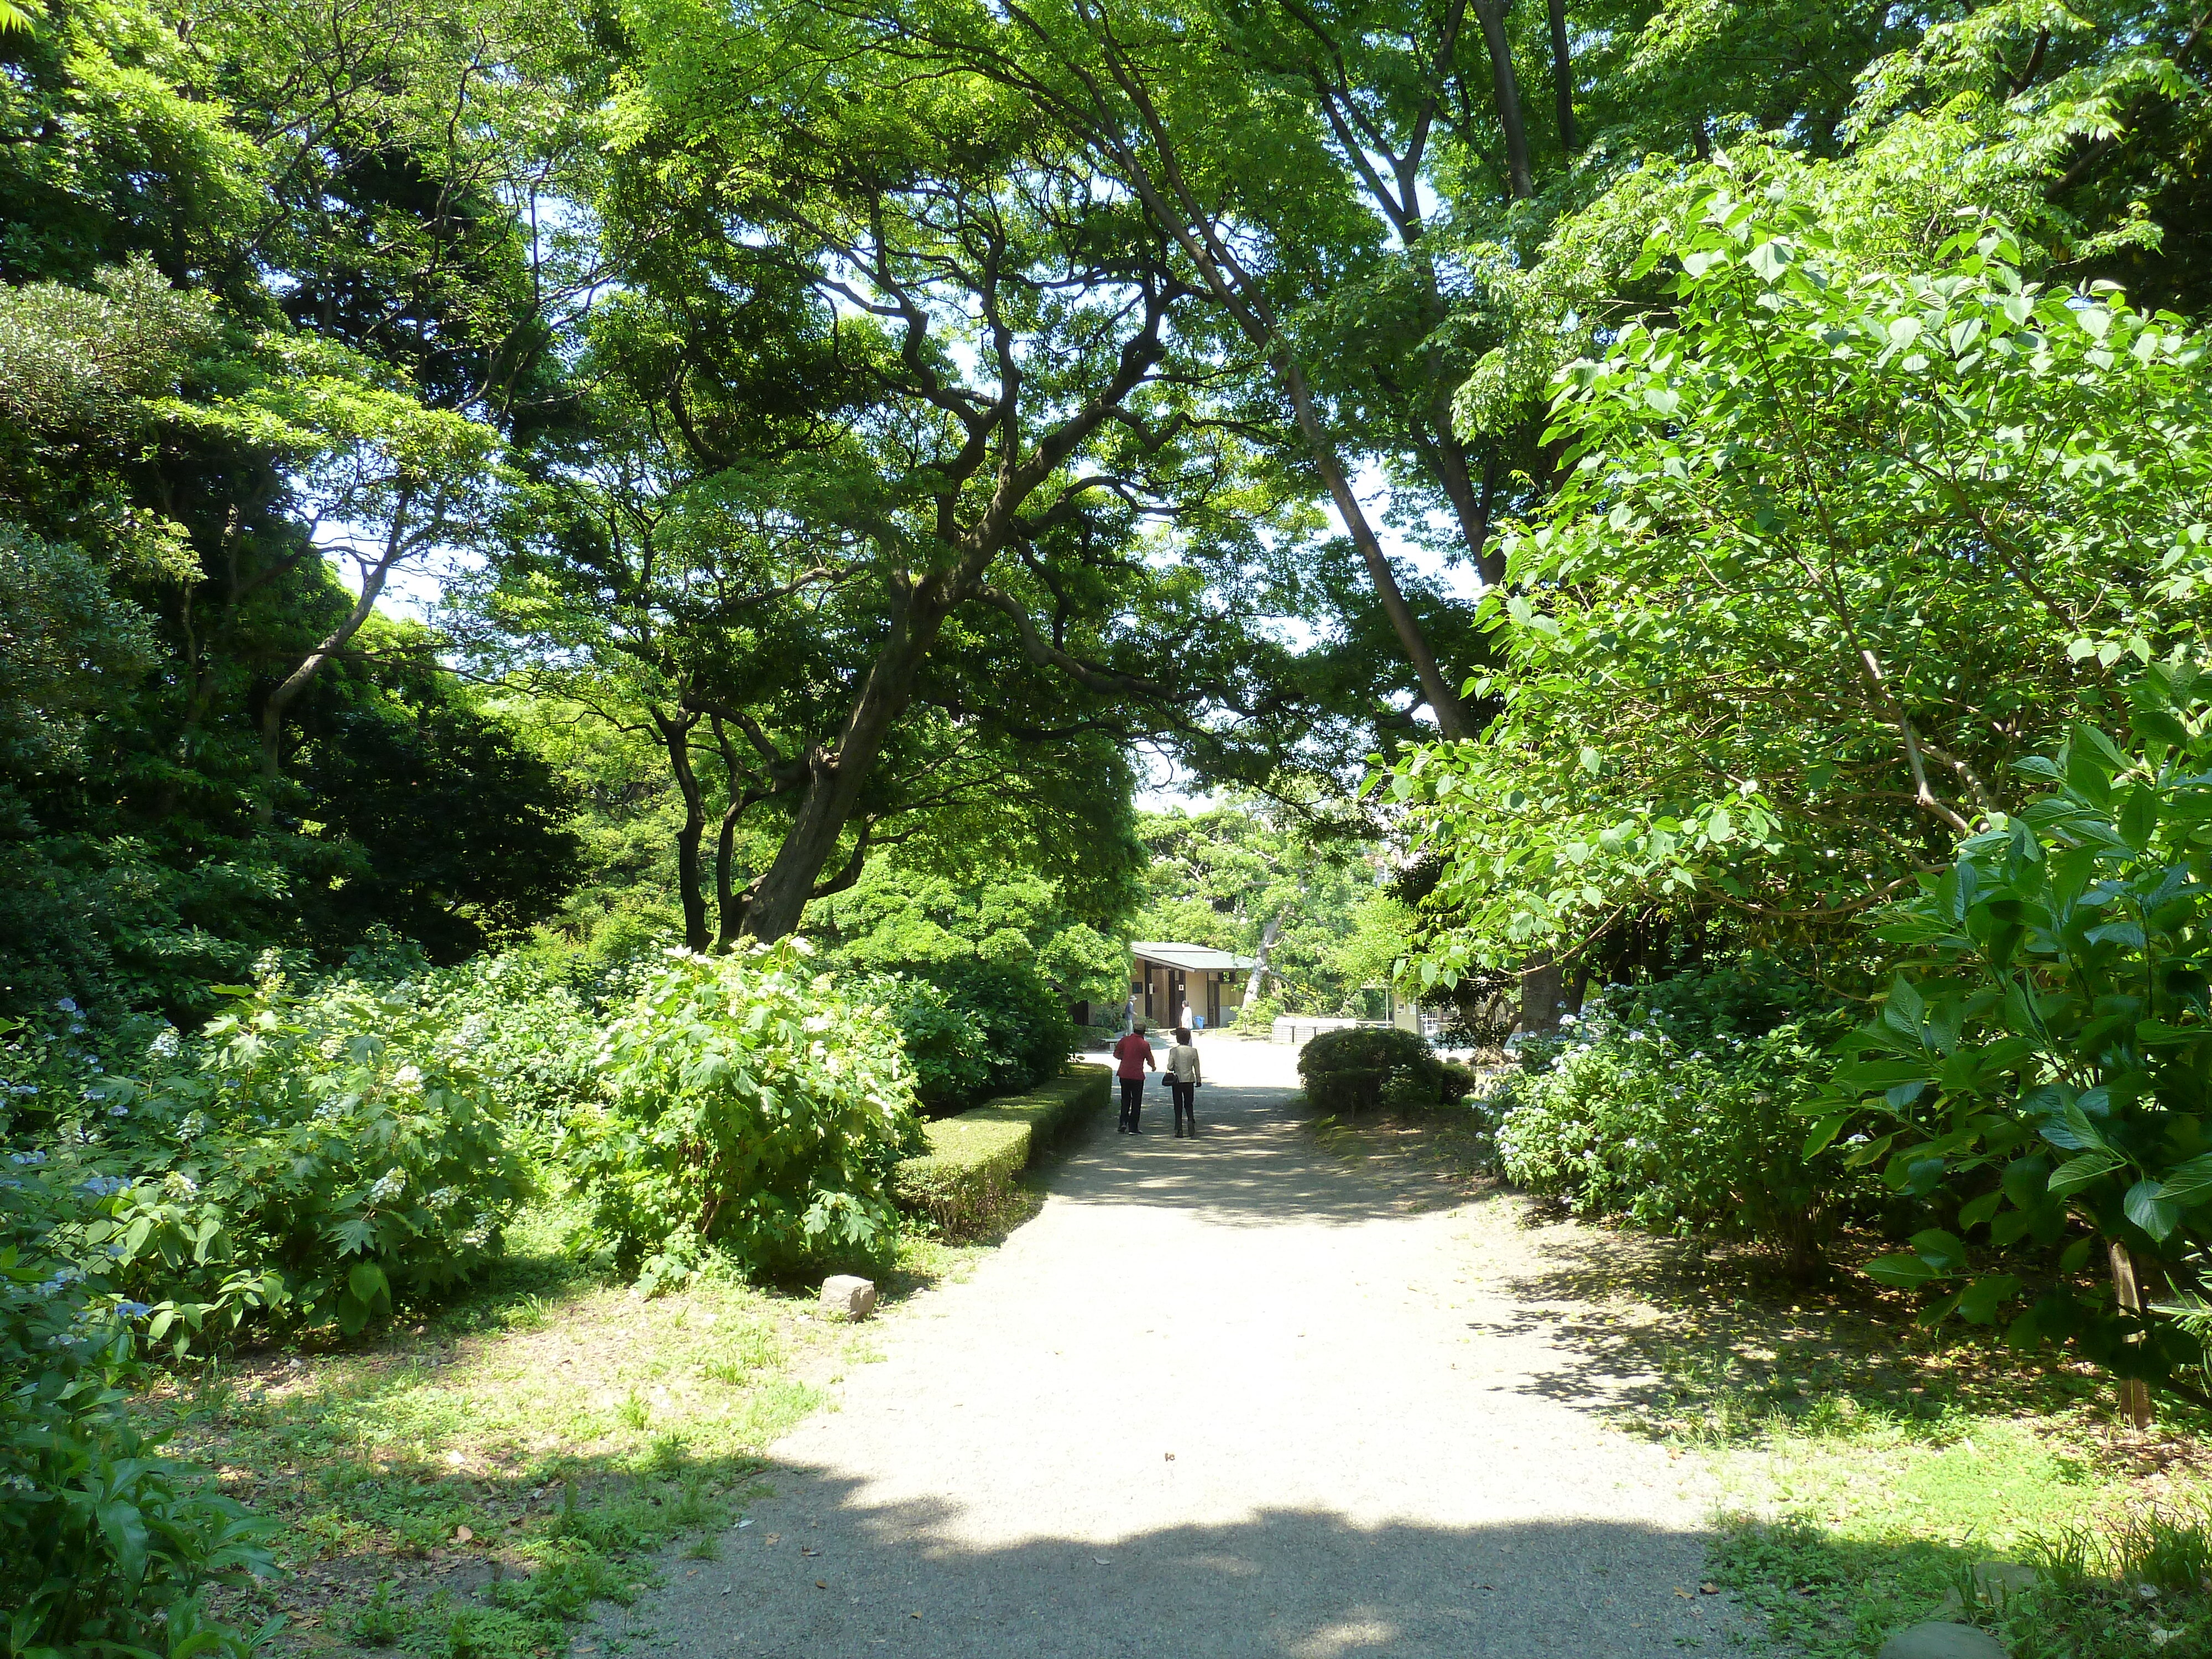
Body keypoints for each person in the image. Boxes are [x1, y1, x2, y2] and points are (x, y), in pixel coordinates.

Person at [1111, 1021, 1156, 1134]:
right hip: (1137, 1076)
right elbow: (1150, 1059)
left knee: (1125, 1099)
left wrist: (1124, 1057)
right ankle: (1133, 1127)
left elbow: (1116, 1054)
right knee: (1136, 1101)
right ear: (1144, 1032)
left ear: (1134, 1030)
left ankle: (1123, 1123)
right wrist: (1153, 1067)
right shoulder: (1144, 1044)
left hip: (1124, 1074)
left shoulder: (1125, 1040)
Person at [1164, 1025, 1202, 1138]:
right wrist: (1198, 1080)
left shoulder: (1174, 1051)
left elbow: (1170, 1066)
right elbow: (1197, 1067)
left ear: (1178, 1039)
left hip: (1177, 1080)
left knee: (1178, 1104)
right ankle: (1190, 1120)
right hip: (1189, 1080)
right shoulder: (1193, 1051)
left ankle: (1179, 1128)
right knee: (1189, 1103)